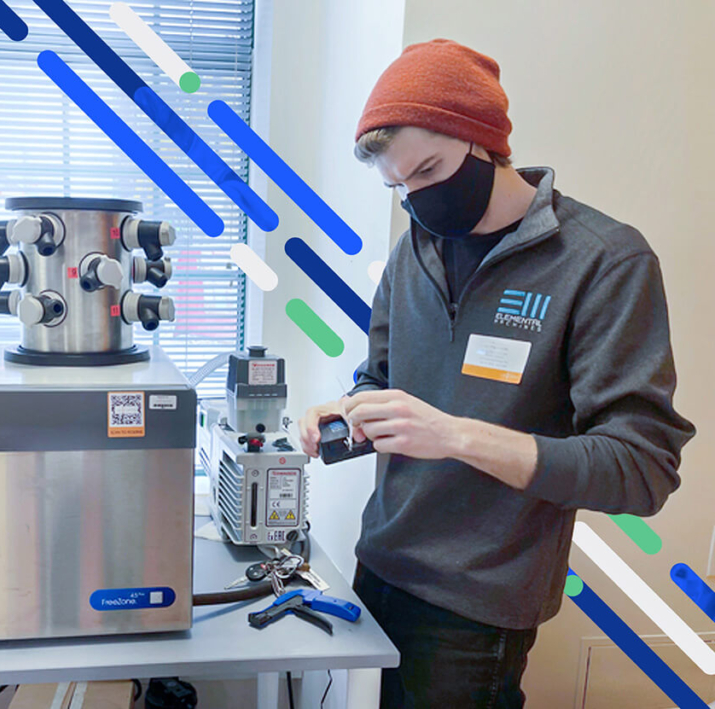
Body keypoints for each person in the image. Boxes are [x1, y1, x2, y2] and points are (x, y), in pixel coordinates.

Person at [297, 38, 695, 708]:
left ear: (483, 140)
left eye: (428, 171)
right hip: (381, 566)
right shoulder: (413, 253)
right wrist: (352, 411)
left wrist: (455, 435)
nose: (416, 201)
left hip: (478, 606)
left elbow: (641, 467)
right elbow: (382, 378)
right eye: (398, 187)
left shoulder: (604, 262)